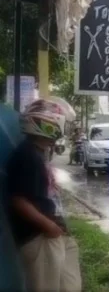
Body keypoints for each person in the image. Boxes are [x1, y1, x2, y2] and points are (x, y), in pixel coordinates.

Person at [5, 99, 81, 291]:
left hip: (49, 234)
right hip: (38, 237)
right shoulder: (27, 156)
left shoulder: (37, 153)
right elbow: (18, 200)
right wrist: (49, 226)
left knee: (69, 285)